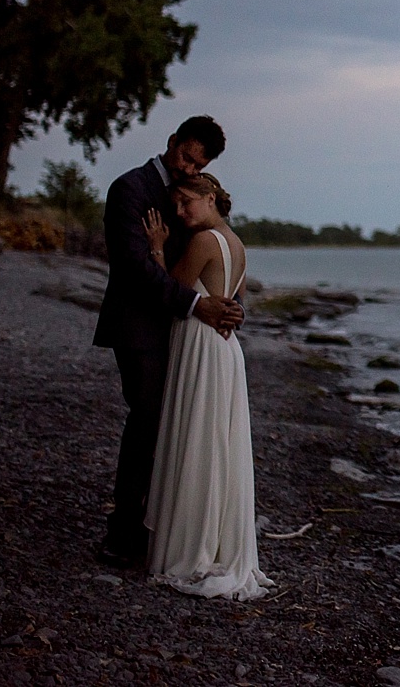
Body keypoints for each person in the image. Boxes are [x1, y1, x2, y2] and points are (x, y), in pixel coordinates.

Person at [94, 116, 242, 567]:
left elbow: (216, 258)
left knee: (177, 423)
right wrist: (198, 307)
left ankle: (165, 525)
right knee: (149, 418)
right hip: (139, 326)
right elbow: (134, 270)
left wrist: (231, 306)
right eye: (185, 157)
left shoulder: (197, 196)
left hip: (186, 331)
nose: (187, 170)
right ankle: (124, 531)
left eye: (198, 165)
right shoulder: (129, 189)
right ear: (172, 142)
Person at [142, 172, 270, 599]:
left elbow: (170, 292)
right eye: (175, 205)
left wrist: (157, 248)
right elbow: (236, 302)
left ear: (210, 196)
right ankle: (212, 539)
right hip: (226, 351)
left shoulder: (203, 241)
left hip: (201, 346)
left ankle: (189, 546)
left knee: (198, 440)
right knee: (216, 443)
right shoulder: (238, 244)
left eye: (186, 203)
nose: (179, 213)